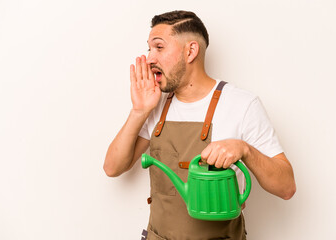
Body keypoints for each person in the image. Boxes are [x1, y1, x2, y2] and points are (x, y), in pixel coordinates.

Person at [104, 10, 296, 240]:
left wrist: (244, 149)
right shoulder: (156, 105)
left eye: (159, 47)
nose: (149, 58)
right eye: (149, 49)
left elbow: (286, 188)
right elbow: (113, 168)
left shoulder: (242, 105)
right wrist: (139, 111)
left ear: (191, 51)